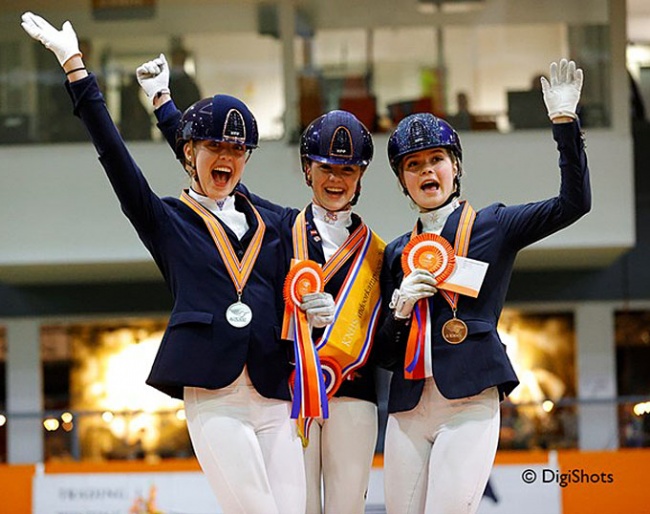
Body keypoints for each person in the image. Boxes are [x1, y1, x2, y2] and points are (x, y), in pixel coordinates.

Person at [19, 12, 330, 514]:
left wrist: (165, 103)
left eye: (236, 149)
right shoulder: (166, 220)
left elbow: (210, 165)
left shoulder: (273, 221)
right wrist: (75, 66)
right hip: (216, 395)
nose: (225, 157)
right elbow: (116, 157)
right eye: (212, 147)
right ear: (190, 152)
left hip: (275, 390)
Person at [136, 53, 384, 514]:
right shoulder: (283, 224)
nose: (335, 179)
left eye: (347, 170)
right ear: (307, 169)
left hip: (349, 387)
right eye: (326, 167)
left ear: (361, 178)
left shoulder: (378, 251)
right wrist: (163, 106)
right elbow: (212, 164)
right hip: (289, 382)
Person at [376, 58, 590, 514]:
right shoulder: (396, 253)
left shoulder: (494, 225)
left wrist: (565, 124)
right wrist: (397, 311)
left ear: (456, 168)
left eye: (436, 159)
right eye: (413, 165)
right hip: (408, 408)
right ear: (402, 182)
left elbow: (574, 203)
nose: (426, 170)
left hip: (469, 402)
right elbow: (386, 355)